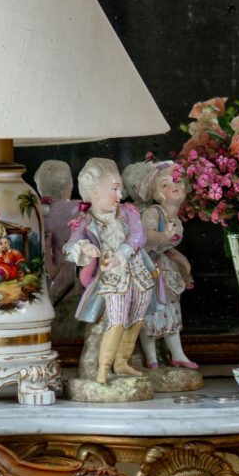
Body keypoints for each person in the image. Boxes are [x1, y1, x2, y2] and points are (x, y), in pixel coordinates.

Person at [63, 157, 155, 384]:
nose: (120, 195)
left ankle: (122, 362)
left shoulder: (128, 212)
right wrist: (83, 248)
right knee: (116, 320)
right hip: (112, 279)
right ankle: (103, 368)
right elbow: (68, 248)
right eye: (114, 189)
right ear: (94, 192)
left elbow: (138, 236)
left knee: (137, 318)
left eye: (120, 189)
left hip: (138, 273)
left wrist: (121, 254)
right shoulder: (85, 221)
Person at [131, 160, 197, 369]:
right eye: (165, 185)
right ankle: (151, 358)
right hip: (149, 268)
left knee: (170, 310)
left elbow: (170, 249)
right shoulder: (153, 213)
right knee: (150, 312)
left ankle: (177, 354)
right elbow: (145, 239)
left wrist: (183, 265)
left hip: (165, 268)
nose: (174, 187)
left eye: (177, 182)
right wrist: (162, 236)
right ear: (158, 194)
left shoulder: (175, 217)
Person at [34, 159, 78, 303]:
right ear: (69, 185)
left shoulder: (32, 211)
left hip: (39, 287)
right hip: (69, 284)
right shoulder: (77, 209)